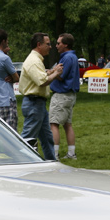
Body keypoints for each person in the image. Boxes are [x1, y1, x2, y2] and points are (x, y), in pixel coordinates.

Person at [19, 32, 63, 160]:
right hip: (34, 103)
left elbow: (40, 77)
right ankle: (20, 161)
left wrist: (50, 72)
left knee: (47, 138)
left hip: (38, 104)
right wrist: (56, 73)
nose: (50, 47)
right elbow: (42, 81)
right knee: (28, 138)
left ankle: (51, 162)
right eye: (48, 44)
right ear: (39, 44)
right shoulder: (33, 61)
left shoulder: (36, 60)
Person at [49, 32, 80, 160]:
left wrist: (53, 71)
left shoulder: (67, 57)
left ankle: (54, 155)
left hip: (61, 95)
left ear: (66, 44)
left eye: (58, 43)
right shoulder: (72, 57)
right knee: (68, 124)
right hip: (70, 95)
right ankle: (71, 153)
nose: (56, 45)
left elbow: (61, 76)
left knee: (53, 123)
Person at [0, 28, 21, 130]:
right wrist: (12, 77)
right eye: (7, 41)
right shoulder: (4, 58)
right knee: (11, 133)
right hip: (7, 99)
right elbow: (16, 78)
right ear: (3, 41)